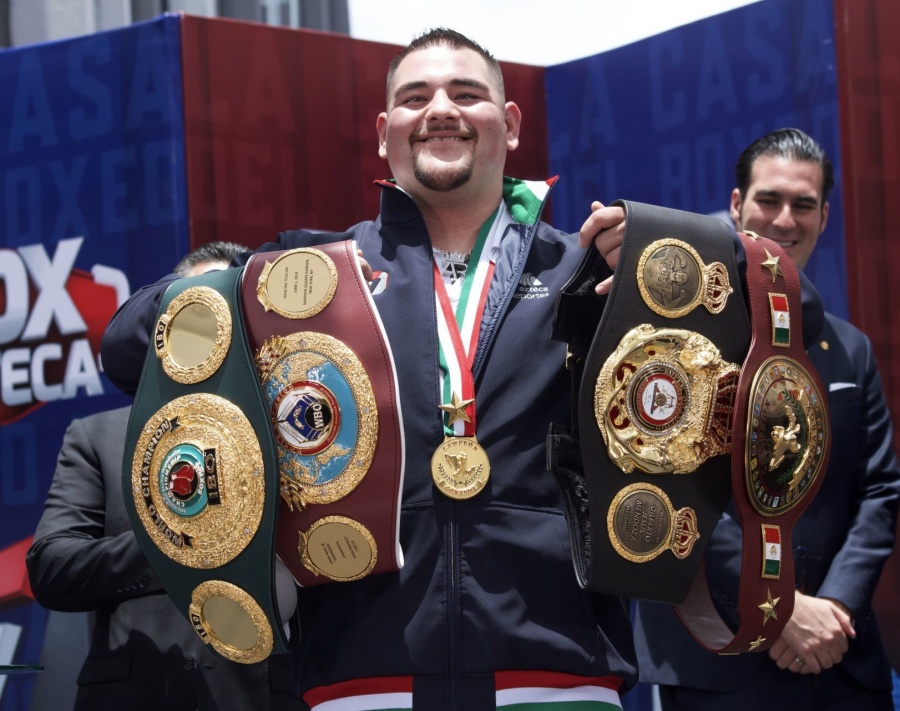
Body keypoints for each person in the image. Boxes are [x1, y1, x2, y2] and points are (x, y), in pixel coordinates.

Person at [99, 32, 820, 710]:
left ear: (509, 123)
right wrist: (242, 291)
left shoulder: (589, 268)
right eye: (415, 98)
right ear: (384, 130)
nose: (440, 109)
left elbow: (803, 320)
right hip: (362, 673)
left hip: (558, 673)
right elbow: (129, 346)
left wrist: (681, 252)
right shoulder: (310, 278)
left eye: (465, 93)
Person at [632, 128, 900, 710]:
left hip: (841, 657)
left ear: (825, 216)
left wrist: (832, 607)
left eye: (803, 205)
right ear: (736, 207)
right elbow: (665, 483)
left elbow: (880, 491)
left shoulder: (850, 348)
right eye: (768, 200)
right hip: (718, 657)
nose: (784, 220)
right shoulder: (678, 342)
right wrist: (779, 608)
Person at [26, 241, 303, 711]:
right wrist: (178, 545)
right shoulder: (100, 435)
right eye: (200, 308)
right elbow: (52, 568)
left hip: (264, 693)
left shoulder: (295, 432)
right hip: (135, 695)